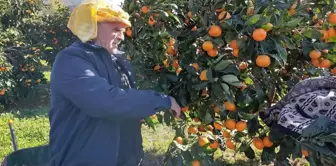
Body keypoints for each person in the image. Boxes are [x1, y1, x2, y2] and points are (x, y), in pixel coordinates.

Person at [48, 0, 182, 165]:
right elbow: (106, 102)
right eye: (116, 29)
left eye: (123, 30)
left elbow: (125, 99)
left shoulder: (117, 59)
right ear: (93, 27)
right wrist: (162, 100)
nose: (122, 36)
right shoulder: (71, 60)